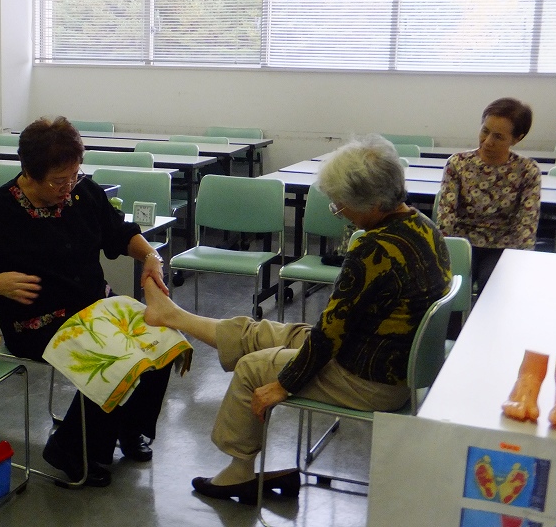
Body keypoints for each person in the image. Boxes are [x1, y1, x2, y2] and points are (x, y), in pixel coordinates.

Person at [141, 135, 452, 502]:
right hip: (379, 359)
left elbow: (328, 337)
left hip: (370, 379)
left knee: (254, 368)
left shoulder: (373, 249)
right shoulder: (422, 226)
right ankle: (173, 315)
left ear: (374, 201)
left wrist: (284, 383)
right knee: (259, 333)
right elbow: (334, 330)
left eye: (342, 203)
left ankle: (238, 472)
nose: (340, 210)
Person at [0, 116, 171, 488]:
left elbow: (119, 234)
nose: (67, 188)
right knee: (116, 353)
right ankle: (71, 450)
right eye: (58, 181)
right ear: (28, 172)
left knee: (161, 337)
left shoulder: (84, 193)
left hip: (95, 307)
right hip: (38, 321)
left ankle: (130, 429)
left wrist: (150, 257)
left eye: (73, 177)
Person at [436, 98, 539, 292]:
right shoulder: (458, 163)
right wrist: (443, 251)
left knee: (493, 285)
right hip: (462, 241)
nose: (487, 141)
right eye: (485, 131)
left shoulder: (527, 170)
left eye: (498, 137)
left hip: (503, 244)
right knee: (453, 284)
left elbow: (527, 224)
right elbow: (446, 216)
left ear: (517, 138)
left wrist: (524, 261)